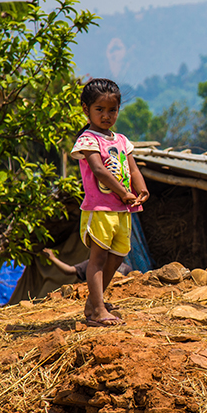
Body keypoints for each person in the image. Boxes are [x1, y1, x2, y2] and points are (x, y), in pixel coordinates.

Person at [70, 78, 149, 327]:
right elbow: (99, 170)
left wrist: (141, 189)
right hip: (100, 208)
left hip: (122, 209)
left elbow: (133, 169)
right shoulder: (88, 139)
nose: (106, 115)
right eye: (100, 110)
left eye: (112, 110)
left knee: (118, 255)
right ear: (86, 109)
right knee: (98, 259)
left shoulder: (122, 140)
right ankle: (99, 310)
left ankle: (94, 302)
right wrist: (123, 192)